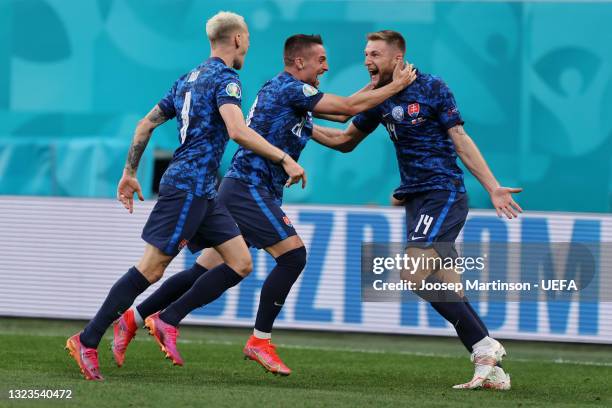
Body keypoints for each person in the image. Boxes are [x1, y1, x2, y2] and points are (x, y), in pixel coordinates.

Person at [110, 34, 416, 376]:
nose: (327, 67)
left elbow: (342, 122)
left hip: (246, 189)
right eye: (321, 60)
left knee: (205, 268)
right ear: (299, 62)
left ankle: (133, 318)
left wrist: (377, 87)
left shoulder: (295, 98)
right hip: (247, 188)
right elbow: (345, 110)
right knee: (293, 256)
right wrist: (394, 85)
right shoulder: (288, 89)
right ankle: (253, 338)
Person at [65, 11, 307, 381]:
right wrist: (284, 158)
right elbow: (238, 131)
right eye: (248, 43)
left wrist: (130, 172)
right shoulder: (228, 80)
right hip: (189, 187)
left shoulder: (187, 78)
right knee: (151, 268)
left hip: (205, 191)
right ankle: (87, 337)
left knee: (240, 262)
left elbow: (146, 123)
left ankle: (163, 318)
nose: (248, 50)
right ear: (238, 40)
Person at [312, 30, 522, 390]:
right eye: (365, 53)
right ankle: (492, 369)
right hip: (416, 199)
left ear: (397, 58)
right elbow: (344, 140)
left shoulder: (432, 87)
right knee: (449, 287)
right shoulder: (381, 97)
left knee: (412, 275)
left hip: (443, 193)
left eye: (375, 54)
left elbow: (460, 139)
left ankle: (485, 345)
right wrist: (302, 126)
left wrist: (492, 186)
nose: (367, 60)